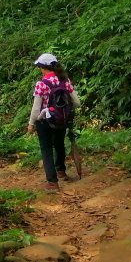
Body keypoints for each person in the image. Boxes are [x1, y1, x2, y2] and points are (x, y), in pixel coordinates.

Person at [27, 53, 82, 191]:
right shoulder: (64, 81)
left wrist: (31, 123)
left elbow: (36, 108)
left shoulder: (41, 84)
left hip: (44, 121)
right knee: (59, 144)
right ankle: (61, 171)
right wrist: (63, 111)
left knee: (46, 149)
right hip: (61, 119)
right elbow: (77, 102)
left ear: (43, 68)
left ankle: (52, 182)